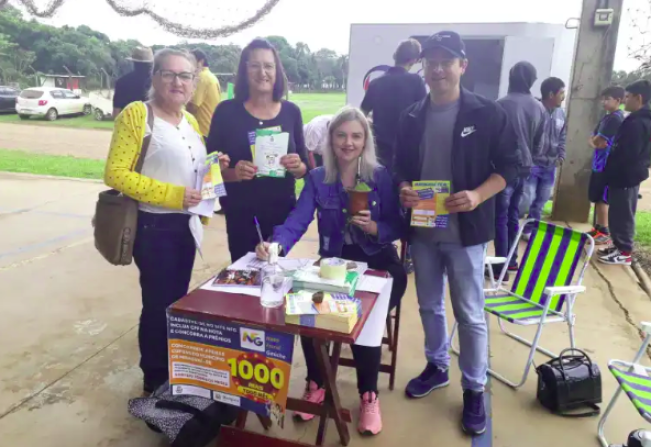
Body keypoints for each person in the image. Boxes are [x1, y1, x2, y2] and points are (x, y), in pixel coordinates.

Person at [394, 31, 519, 436]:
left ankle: (474, 388)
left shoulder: (487, 113)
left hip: (467, 231)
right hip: (424, 228)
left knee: (469, 311)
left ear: (462, 66)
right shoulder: (412, 115)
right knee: (429, 304)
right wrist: (404, 188)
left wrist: (478, 194)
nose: (438, 69)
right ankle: (437, 365)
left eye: (446, 61)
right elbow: (400, 167)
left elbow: (512, 165)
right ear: (423, 67)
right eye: (431, 61)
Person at [255, 106, 406, 436]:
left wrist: (375, 228)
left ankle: (369, 394)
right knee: (304, 307)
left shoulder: (380, 176)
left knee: (364, 316)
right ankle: (317, 382)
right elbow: (297, 220)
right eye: (341, 135)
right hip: (335, 263)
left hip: (379, 260)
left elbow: (397, 225)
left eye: (356, 136)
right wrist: (275, 245)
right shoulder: (317, 177)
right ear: (331, 139)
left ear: (365, 141)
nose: (348, 143)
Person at [104, 48, 229, 395]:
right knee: (159, 305)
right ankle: (155, 378)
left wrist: (214, 164)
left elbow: (191, 166)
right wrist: (173, 195)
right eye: (169, 74)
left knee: (175, 303)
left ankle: (171, 369)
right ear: (155, 77)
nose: (178, 82)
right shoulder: (137, 114)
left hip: (185, 227)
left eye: (185, 75)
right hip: (153, 226)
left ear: (194, 82)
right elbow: (115, 174)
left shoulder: (189, 121)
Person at [206, 38, 309, 262]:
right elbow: (208, 170)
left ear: (277, 71)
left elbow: (305, 167)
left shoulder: (291, 112)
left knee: (276, 272)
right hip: (241, 215)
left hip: (281, 214)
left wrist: (297, 166)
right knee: (245, 275)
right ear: (245, 70)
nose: (262, 72)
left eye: (268, 66)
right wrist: (234, 173)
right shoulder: (226, 112)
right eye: (255, 65)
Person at [492, 61, 546, 279]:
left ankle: (500, 267)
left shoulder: (500, 104)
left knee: (500, 217)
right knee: (513, 215)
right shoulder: (539, 107)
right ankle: (512, 262)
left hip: (502, 171)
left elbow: (492, 142)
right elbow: (539, 146)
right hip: (525, 168)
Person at [598, 80, 651, 265]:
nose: (624, 100)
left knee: (623, 214)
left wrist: (616, 165)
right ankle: (618, 246)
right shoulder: (636, 119)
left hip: (626, 176)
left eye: (627, 97)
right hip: (623, 175)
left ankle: (624, 251)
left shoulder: (639, 122)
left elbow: (629, 153)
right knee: (617, 212)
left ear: (639, 98)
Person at [361, 38, 427, 170]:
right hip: (407, 150)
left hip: (380, 151)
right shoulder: (416, 81)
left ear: (395, 56)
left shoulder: (376, 83)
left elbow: (361, 114)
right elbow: (425, 114)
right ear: (414, 60)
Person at [522, 77, 567, 239]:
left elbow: (562, 136)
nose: (563, 97)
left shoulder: (561, 113)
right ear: (551, 94)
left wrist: (561, 155)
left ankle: (529, 230)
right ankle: (512, 225)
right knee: (527, 199)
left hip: (550, 165)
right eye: (561, 93)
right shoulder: (535, 110)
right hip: (533, 163)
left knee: (541, 201)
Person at [587, 86, 626, 245]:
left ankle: (604, 231)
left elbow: (598, 140)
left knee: (602, 198)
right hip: (599, 163)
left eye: (607, 99)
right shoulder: (607, 118)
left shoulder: (615, 119)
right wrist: (594, 142)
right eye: (603, 99)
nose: (604, 102)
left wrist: (595, 141)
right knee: (597, 197)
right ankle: (597, 228)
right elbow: (592, 139)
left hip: (606, 165)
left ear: (618, 100)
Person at [187, 49, 222, 138]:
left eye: (190, 60)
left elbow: (193, 107)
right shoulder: (210, 76)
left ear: (200, 62)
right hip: (211, 129)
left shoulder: (201, 78)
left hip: (202, 131)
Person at [112, 46, 154, 118]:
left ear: (134, 62)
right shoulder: (158, 82)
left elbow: (116, 113)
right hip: (152, 123)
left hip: (129, 122)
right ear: (151, 63)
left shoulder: (122, 82)